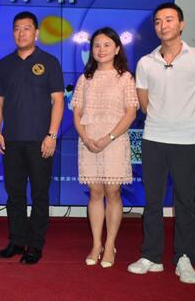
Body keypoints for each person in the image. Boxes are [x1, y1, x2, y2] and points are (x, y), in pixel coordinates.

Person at [127, 3, 195, 284]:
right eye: (158, 21)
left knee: (185, 202)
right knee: (152, 202)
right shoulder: (145, 62)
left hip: (187, 143)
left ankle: (184, 258)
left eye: (169, 20)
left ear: (181, 24)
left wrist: (185, 125)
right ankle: (151, 256)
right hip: (153, 140)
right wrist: (164, 122)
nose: (163, 25)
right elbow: (144, 104)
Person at [0, 11, 64, 265]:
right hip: (11, 140)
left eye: (26, 28)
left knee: (39, 194)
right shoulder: (4, 64)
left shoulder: (49, 62)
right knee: (14, 194)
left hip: (40, 141)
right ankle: (16, 240)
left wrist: (52, 135)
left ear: (36, 33)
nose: (21, 33)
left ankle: (35, 244)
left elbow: (58, 101)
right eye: (17, 28)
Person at [71, 27, 138, 268]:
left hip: (114, 141)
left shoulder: (125, 78)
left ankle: (110, 245)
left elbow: (130, 113)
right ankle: (96, 244)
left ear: (117, 49)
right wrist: (86, 138)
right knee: (95, 193)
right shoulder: (85, 79)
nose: (101, 50)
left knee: (113, 192)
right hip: (89, 142)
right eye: (97, 45)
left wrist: (108, 138)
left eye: (107, 45)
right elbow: (77, 113)